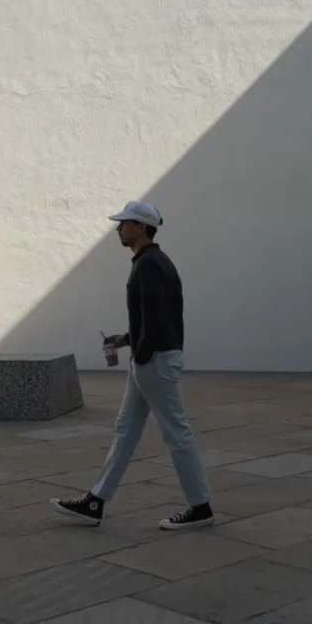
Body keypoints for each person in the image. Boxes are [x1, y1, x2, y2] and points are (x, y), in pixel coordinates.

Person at [51, 201, 213, 531]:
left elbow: (153, 320)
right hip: (153, 359)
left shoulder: (149, 265)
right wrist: (124, 340)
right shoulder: (153, 261)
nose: (118, 229)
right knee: (126, 431)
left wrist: (140, 355)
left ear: (140, 226)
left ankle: (200, 507)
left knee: (177, 433)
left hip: (154, 362)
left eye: (124, 223)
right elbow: (152, 318)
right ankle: (95, 501)